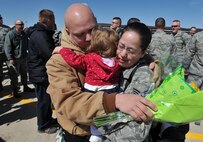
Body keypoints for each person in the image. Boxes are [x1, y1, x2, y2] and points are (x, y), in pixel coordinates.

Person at [46, 3, 159, 142]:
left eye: (92, 29)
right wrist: (114, 100)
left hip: (110, 129)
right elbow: (68, 104)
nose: (89, 38)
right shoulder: (58, 61)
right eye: (80, 34)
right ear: (68, 32)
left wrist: (150, 60)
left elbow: (127, 47)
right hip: (82, 133)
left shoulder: (101, 40)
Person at [53, 28, 121, 142]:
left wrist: (61, 50)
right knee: (108, 113)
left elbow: (74, 60)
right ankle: (107, 130)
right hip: (112, 89)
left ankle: (96, 134)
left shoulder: (91, 58)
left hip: (92, 91)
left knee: (94, 114)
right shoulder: (117, 62)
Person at [101, 22, 156, 142]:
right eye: (121, 46)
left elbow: (135, 133)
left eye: (131, 51)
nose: (123, 54)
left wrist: (94, 121)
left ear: (142, 53)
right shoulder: (110, 61)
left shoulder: (143, 76)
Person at [27, 9, 58, 134]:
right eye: (54, 20)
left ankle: (47, 119)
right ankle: (43, 126)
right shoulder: (40, 35)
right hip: (40, 73)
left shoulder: (41, 32)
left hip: (40, 72)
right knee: (43, 101)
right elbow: (49, 54)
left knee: (46, 99)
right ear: (49, 20)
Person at [4, 20, 34, 98]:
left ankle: (25, 87)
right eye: (20, 24)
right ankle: (15, 91)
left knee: (24, 74)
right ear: (15, 25)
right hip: (14, 59)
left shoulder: (23, 34)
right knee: (14, 76)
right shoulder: (11, 34)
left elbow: (27, 44)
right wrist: (10, 58)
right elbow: (7, 47)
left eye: (22, 24)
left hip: (23, 58)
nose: (22, 26)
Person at [0, 14, 10, 91]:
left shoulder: (7, 29)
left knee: (12, 70)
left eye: (1, 18)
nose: (1, 20)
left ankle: (14, 86)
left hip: (7, 53)